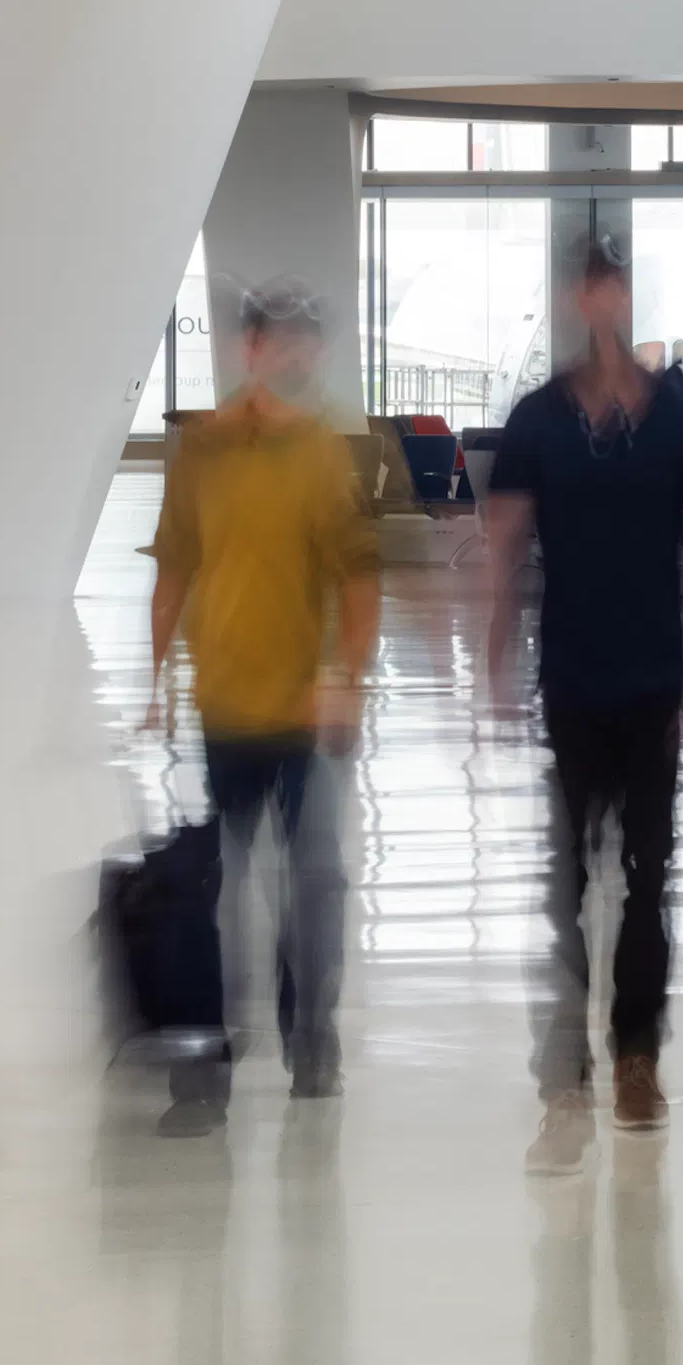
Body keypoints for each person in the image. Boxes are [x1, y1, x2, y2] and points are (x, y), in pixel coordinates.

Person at [484, 242, 683, 1164]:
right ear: (572, 299)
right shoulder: (536, 420)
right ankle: (564, 1074)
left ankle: (636, 1056)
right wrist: (489, 671)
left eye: (612, 286)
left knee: (647, 881)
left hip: (651, 688)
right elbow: (505, 549)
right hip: (570, 682)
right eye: (585, 287)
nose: (599, 300)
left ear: (625, 295)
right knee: (565, 888)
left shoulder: (680, 419)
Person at [145, 281, 381, 1116]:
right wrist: (156, 674)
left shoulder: (324, 452)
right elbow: (175, 561)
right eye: (283, 339)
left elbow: (359, 579)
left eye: (308, 340)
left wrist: (343, 678)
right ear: (248, 348)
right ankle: (213, 1044)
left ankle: (310, 1038)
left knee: (313, 881)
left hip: (307, 713)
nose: (298, 354)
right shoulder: (200, 450)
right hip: (224, 703)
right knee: (224, 885)